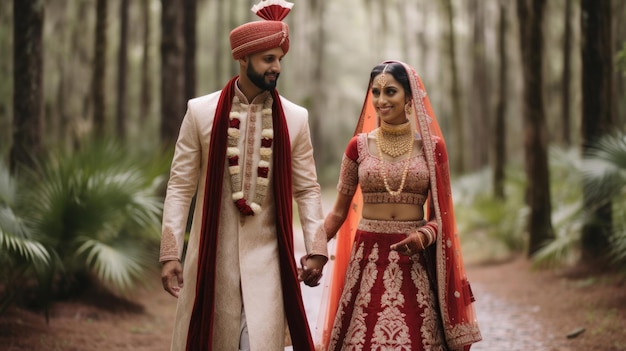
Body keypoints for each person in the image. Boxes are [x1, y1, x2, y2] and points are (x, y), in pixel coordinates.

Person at [159, 1, 328, 350]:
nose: (276, 67)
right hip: (211, 260)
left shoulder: (295, 118)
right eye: (268, 59)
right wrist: (170, 252)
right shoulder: (200, 113)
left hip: (268, 261)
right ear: (243, 58)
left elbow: (308, 189)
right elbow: (180, 186)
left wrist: (316, 247)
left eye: (280, 58)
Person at [315, 61, 482, 351]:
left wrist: (423, 236)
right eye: (375, 92)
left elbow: (442, 215)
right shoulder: (357, 146)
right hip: (367, 260)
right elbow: (339, 212)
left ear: (409, 97)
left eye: (390, 91)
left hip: (414, 261)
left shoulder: (433, 149)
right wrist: (316, 250)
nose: (380, 100)